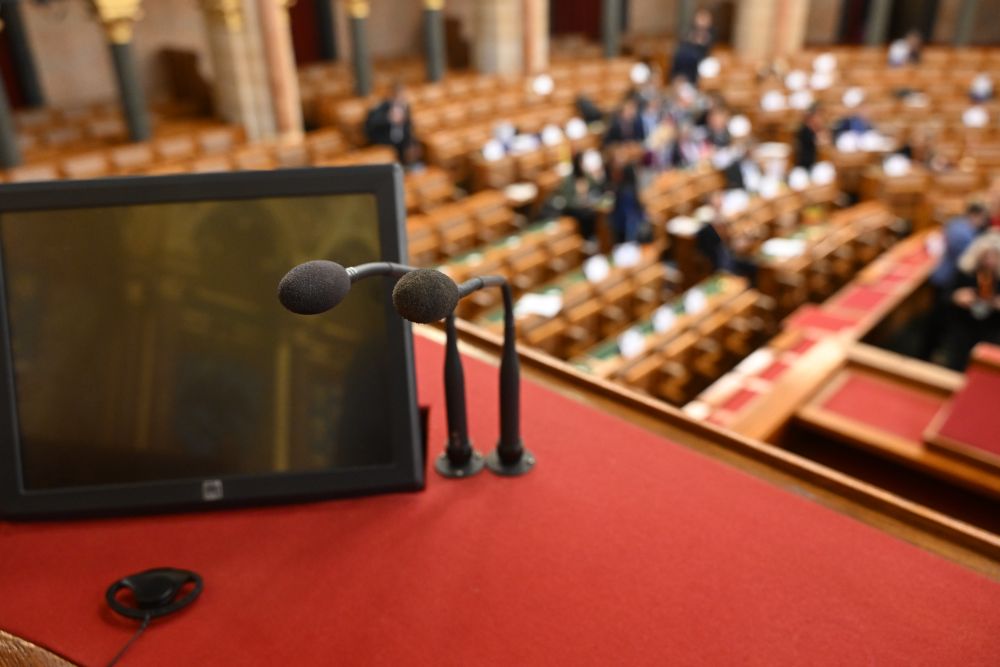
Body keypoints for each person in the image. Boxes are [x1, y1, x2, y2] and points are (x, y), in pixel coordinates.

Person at [923, 203, 991, 360]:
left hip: (948, 278)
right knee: (937, 320)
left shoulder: (958, 224)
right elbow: (968, 252)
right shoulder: (962, 231)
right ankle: (928, 353)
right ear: (976, 215)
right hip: (945, 278)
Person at [945, 233, 1000, 370]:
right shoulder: (966, 273)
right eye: (986, 256)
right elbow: (943, 298)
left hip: (991, 331)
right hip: (964, 327)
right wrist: (955, 296)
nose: (990, 261)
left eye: (995, 257)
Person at [364, 84, 416, 164]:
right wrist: (389, 119)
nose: (402, 99)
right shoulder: (381, 107)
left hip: (401, 142)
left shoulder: (405, 107)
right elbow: (371, 125)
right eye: (399, 96)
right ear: (392, 96)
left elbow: (408, 126)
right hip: (385, 142)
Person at [669, 9, 715, 85]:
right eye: (700, 18)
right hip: (685, 57)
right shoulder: (690, 31)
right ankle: (677, 78)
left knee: (690, 56)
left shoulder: (712, 33)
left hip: (699, 59)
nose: (701, 21)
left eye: (704, 18)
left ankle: (686, 80)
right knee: (680, 53)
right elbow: (684, 42)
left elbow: (707, 48)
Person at [607, 158, 646, 244]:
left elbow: (616, 210)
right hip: (630, 226)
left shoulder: (621, 190)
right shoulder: (632, 189)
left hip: (622, 226)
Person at [794, 104, 828, 169]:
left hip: (814, 165)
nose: (820, 119)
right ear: (811, 117)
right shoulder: (804, 131)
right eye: (818, 116)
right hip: (805, 167)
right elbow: (821, 142)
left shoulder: (815, 130)